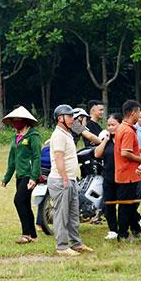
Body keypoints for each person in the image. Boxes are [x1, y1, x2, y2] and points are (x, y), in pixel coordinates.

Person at [49, 104, 93, 256]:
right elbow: (58, 157)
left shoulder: (67, 133)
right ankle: (61, 246)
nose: (72, 119)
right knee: (61, 213)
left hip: (71, 179)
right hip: (61, 179)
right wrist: (64, 177)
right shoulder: (58, 135)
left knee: (73, 213)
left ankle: (76, 243)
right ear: (60, 118)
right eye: (69, 117)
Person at [1, 106, 42, 244]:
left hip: (29, 175)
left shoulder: (33, 136)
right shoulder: (15, 138)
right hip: (19, 176)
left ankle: (26, 234)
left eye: (18, 120)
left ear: (25, 121)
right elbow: (12, 160)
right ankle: (33, 236)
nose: (15, 123)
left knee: (18, 201)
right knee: (24, 203)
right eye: (14, 121)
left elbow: (37, 157)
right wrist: (6, 178)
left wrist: (34, 177)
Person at [113, 101, 141, 240]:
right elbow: (125, 153)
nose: (139, 116)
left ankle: (136, 230)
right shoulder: (127, 131)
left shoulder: (122, 128)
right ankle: (123, 234)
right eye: (138, 113)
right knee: (126, 206)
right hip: (128, 174)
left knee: (130, 205)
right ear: (133, 113)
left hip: (126, 173)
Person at [94, 113, 122, 240]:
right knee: (109, 204)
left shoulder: (124, 138)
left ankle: (126, 227)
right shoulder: (107, 140)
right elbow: (97, 154)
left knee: (124, 204)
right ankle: (112, 230)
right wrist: (105, 140)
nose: (111, 128)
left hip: (123, 177)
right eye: (109, 125)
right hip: (109, 176)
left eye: (113, 125)